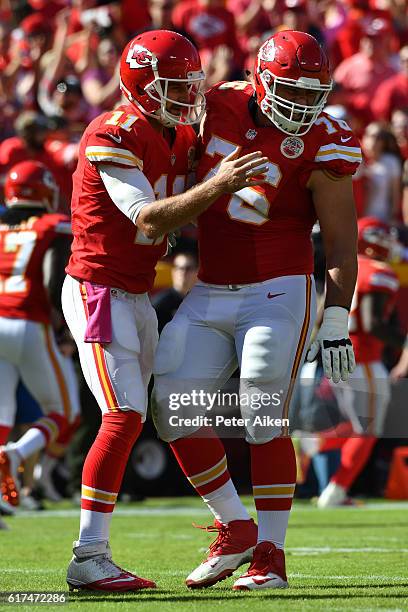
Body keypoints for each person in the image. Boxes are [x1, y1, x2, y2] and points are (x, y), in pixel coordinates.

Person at [60, 29, 268, 593]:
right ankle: (89, 555)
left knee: (167, 409)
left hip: (137, 294)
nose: (185, 98)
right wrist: (219, 185)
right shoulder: (114, 131)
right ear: (140, 84)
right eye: (174, 87)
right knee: (122, 416)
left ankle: (238, 526)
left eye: (190, 86)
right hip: (98, 291)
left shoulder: (175, 133)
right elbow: (149, 219)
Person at [153, 30, 361, 591]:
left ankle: (272, 555)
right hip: (213, 283)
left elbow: (341, 245)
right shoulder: (215, 103)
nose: (304, 104)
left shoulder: (326, 138)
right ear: (261, 79)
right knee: (170, 405)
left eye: (314, 91)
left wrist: (335, 320)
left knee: (262, 408)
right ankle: (235, 526)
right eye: (292, 89)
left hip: (278, 287)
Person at [0, 161, 75, 511]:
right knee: (63, 411)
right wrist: (63, 322)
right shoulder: (52, 224)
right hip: (30, 322)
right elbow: (50, 281)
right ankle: (15, 454)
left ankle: (4, 487)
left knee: (3, 413)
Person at [317, 217, 405, 507]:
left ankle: (316, 445)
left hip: (337, 356)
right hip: (363, 359)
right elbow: (373, 323)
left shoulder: (341, 267)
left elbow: (320, 315)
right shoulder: (379, 272)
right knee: (368, 430)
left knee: (357, 427)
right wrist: (403, 342)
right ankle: (335, 492)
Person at [152, 251, 198, 333]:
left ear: (197, 272)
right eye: (178, 267)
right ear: (173, 271)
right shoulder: (160, 304)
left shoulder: (202, 301)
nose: (183, 272)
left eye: (188, 268)